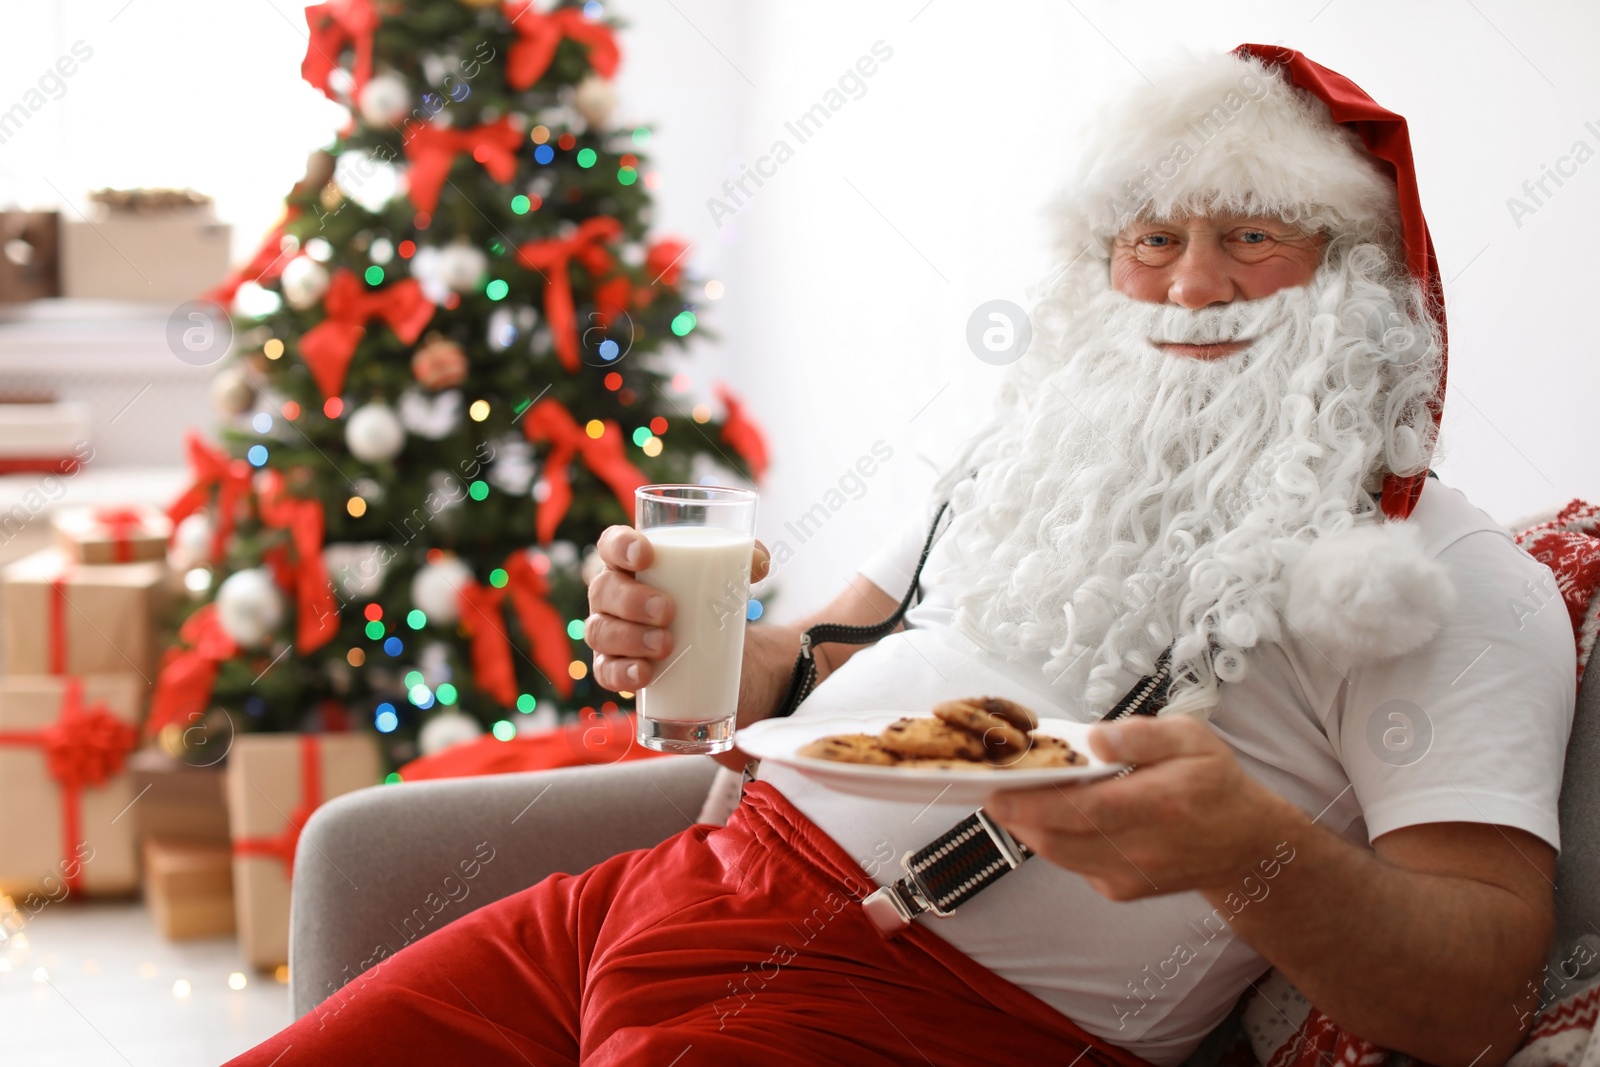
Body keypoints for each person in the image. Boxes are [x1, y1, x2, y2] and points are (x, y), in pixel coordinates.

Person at [226, 45, 1573, 1067]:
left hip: (913, 1010)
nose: (1188, 289)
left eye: (1251, 239)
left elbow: (1477, 999)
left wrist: (1248, 852)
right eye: (1152, 241)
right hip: (667, 890)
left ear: (1356, 277)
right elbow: (799, 671)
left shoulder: (1446, 585)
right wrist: (681, 641)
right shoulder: (1035, 457)